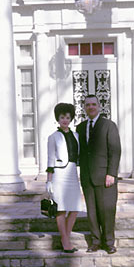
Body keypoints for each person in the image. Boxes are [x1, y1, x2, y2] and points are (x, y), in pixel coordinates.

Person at [76, 94, 121, 254]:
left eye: (93, 104)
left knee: (107, 210)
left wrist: (111, 173)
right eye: (87, 105)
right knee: (92, 211)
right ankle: (95, 241)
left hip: (105, 177)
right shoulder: (80, 128)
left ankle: (109, 242)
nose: (91, 107)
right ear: (84, 107)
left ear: (99, 106)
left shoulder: (109, 125)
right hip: (87, 176)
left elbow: (115, 151)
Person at [46, 103, 84, 253]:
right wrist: (49, 180)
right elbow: (50, 159)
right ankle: (66, 241)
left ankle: (65, 237)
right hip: (59, 175)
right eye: (62, 117)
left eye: (68, 117)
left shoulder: (76, 136)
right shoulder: (53, 137)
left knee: (74, 208)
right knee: (60, 209)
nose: (65, 120)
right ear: (58, 118)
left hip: (73, 173)